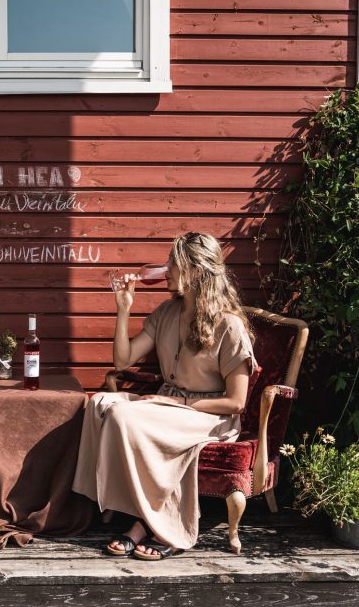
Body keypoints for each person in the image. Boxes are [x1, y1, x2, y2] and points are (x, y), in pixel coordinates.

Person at [72, 232, 257, 561]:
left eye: (174, 263)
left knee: (123, 414)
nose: (166, 269)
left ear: (196, 271)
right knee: (100, 404)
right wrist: (123, 309)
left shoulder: (229, 326)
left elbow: (236, 402)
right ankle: (124, 506)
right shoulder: (168, 312)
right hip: (170, 405)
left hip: (210, 415)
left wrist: (179, 403)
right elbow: (123, 360)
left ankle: (159, 525)